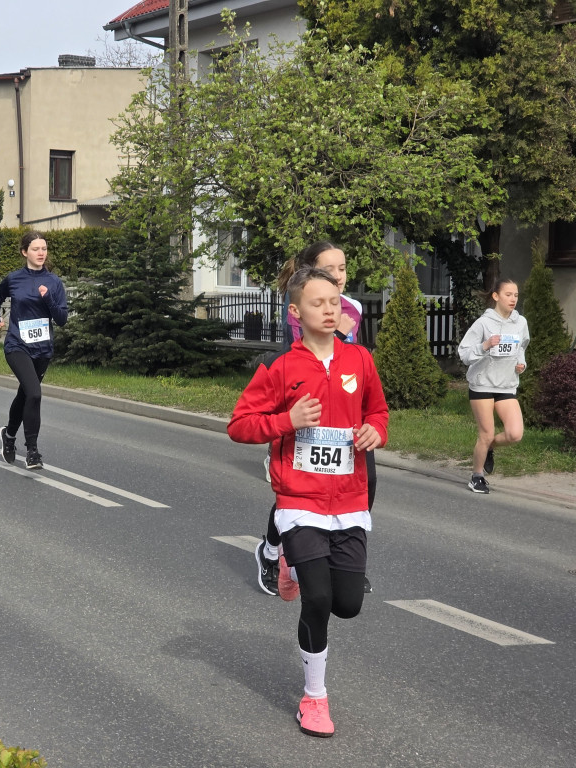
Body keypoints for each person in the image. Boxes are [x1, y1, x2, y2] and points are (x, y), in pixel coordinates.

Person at [229, 267, 389, 739]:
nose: (329, 308)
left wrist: (375, 430)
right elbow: (239, 424)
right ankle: (314, 697)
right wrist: (286, 420)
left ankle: (290, 568)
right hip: (299, 502)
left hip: (349, 500)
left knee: (348, 605)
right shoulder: (281, 368)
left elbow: (378, 411)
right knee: (317, 601)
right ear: (295, 313)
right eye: (318, 302)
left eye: (335, 301)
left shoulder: (360, 361)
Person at [255, 241, 374, 596]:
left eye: (343, 268)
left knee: (368, 483)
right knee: (294, 495)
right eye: (331, 269)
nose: (339, 276)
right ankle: (275, 551)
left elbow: (353, 354)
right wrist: (288, 420)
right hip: (306, 418)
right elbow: (304, 349)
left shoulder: (350, 306)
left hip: (345, 421)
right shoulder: (304, 301)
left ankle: (342, 558)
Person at [0, 231, 68, 470]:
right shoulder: (14, 279)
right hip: (17, 345)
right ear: (25, 252)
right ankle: (32, 451)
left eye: (44, 248)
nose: (41, 253)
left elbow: (62, 319)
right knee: (34, 393)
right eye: (36, 249)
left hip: (42, 348)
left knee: (25, 394)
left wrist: (49, 299)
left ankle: (9, 435)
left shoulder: (53, 282)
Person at [457, 278, 529, 494]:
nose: (513, 299)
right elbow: (464, 353)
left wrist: (521, 364)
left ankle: (487, 449)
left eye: (516, 295)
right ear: (496, 296)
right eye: (508, 294)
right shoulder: (483, 323)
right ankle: (476, 476)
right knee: (486, 434)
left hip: (506, 385)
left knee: (515, 434)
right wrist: (485, 345)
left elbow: (521, 347)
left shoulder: (521, 322)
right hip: (482, 385)